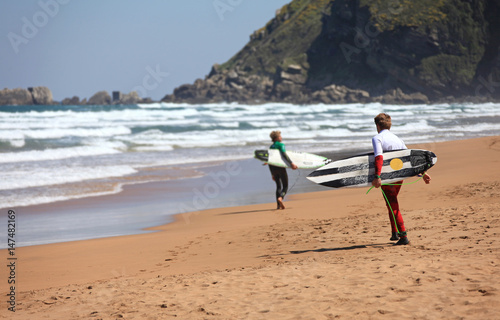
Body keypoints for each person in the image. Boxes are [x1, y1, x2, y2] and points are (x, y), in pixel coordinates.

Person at [371, 113, 431, 245]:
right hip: (399, 177)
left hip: (387, 177)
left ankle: (404, 237)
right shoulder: (398, 139)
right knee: (391, 203)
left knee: (393, 205)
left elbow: (379, 158)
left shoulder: (377, 138)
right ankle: (394, 233)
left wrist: (377, 177)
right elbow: (409, 159)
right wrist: (422, 173)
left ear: (377, 125)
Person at [268, 131, 298, 209]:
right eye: (280, 136)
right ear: (277, 138)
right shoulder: (281, 145)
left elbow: (269, 160)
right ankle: (280, 198)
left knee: (278, 186)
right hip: (280, 167)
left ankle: (278, 206)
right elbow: (284, 154)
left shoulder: (271, 147)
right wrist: (291, 163)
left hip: (273, 167)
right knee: (285, 186)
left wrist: (272, 173)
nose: (281, 137)